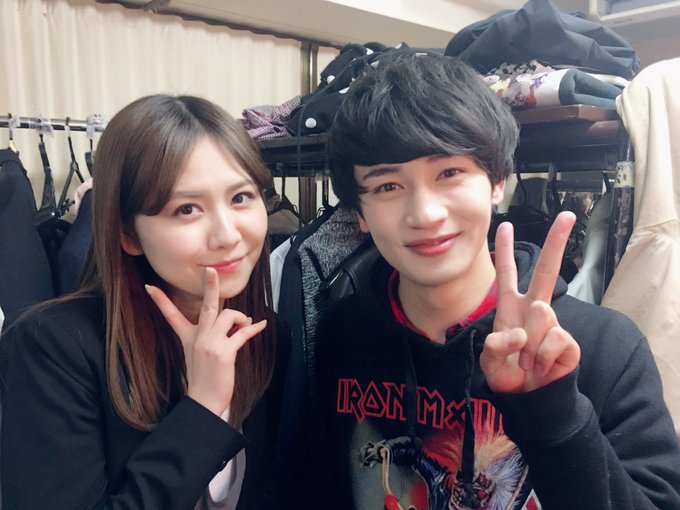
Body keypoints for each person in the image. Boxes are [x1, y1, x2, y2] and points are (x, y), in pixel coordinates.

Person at [314, 51, 680, 509]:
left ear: (497, 181)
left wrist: (554, 412)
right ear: (359, 213)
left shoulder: (605, 347)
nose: (424, 214)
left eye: (450, 173)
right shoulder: (342, 333)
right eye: (388, 186)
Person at [0, 94, 294, 509]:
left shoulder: (267, 335)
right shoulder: (53, 347)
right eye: (187, 209)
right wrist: (203, 408)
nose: (228, 235)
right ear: (128, 234)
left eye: (240, 198)